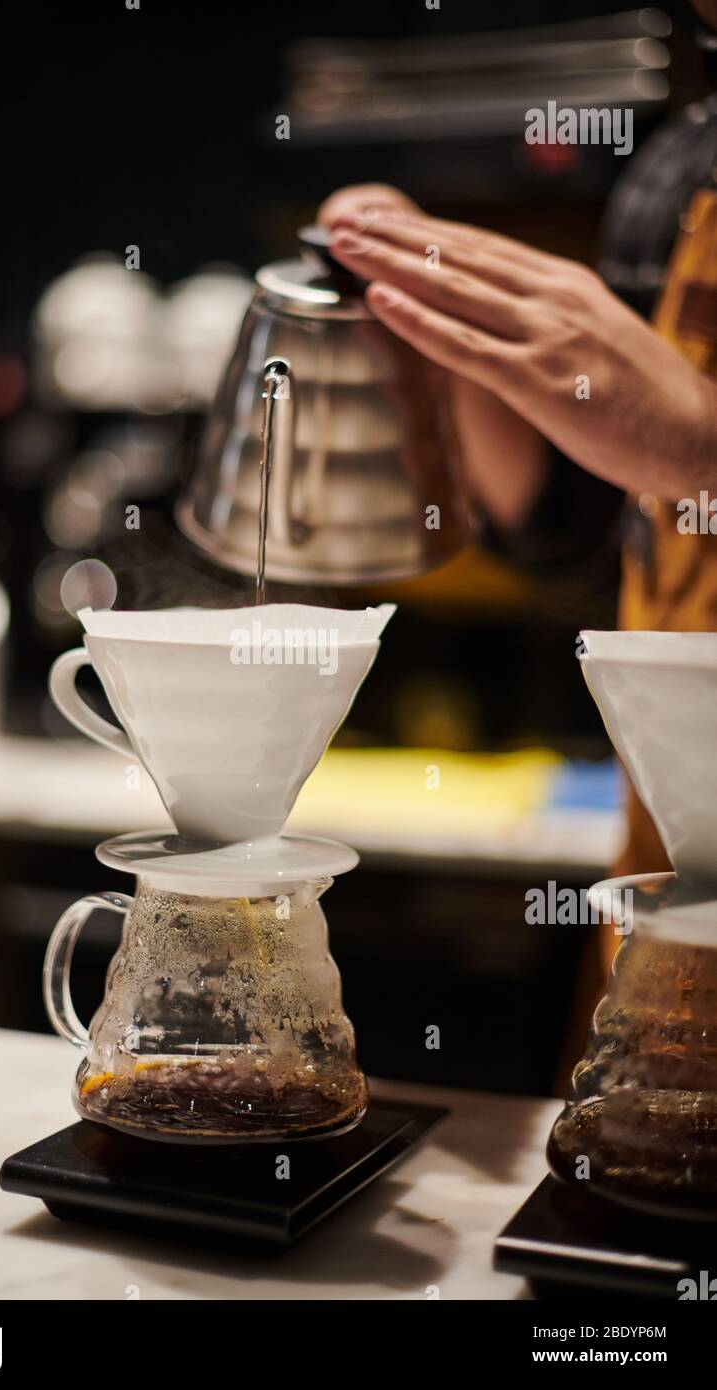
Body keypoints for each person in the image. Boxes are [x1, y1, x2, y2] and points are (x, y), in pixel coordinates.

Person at [317, 9, 717, 987]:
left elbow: (684, 455)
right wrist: (434, 328)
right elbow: (577, 531)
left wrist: (703, 451)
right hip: (664, 899)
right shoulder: (680, 162)